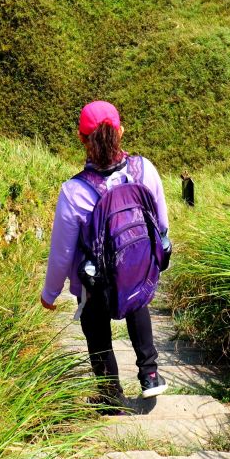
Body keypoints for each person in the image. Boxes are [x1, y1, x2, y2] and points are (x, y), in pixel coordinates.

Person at [41, 100, 170, 407]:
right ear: (120, 132)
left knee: (94, 325)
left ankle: (110, 393)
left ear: (81, 138)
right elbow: (161, 223)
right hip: (137, 269)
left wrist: (50, 293)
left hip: (96, 281)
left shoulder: (74, 191)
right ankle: (150, 375)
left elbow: (62, 252)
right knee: (138, 303)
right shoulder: (144, 169)